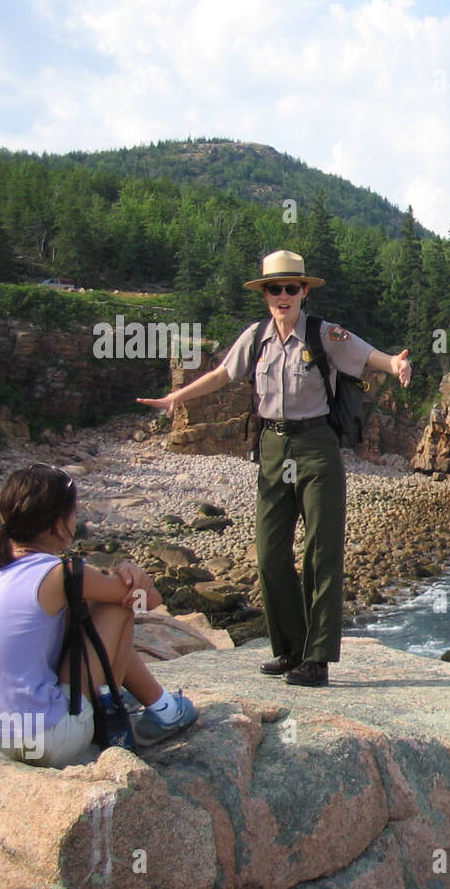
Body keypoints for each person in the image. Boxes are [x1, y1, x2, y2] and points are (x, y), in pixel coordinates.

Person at [138, 250, 412, 687]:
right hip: (272, 446)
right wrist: (177, 398)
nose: (283, 295)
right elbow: (223, 374)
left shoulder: (324, 334)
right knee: (269, 554)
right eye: (274, 288)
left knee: (321, 551)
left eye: (291, 287)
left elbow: (368, 356)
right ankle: (289, 649)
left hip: (316, 445)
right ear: (265, 294)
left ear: (304, 291)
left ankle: (317, 659)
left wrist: (396, 363)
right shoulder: (256, 337)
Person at [0, 465, 197, 768]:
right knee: (116, 606)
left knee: (82, 611)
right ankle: (145, 713)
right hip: (45, 741)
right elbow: (148, 601)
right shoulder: (60, 574)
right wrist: (128, 570)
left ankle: (153, 705)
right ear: (59, 524)